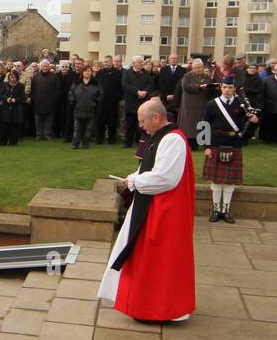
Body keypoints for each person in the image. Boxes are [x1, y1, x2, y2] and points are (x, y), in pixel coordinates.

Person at [98, 99, 195, 323]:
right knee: (145, 258)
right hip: (153, 205)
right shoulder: (161, 137)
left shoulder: (173, 140)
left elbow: (165, 178)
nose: (141, 126)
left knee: (160, 260)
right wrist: (134, 176)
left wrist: (133, 181)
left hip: (164, 210)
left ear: (155, 117)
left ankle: (163, 308)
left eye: (143, 121)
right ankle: (145, 305)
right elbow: (149, 168)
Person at [202, 79, 257, 223]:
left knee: (229, 181)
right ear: (221, 88)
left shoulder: (241, 105)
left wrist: (254, 123)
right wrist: (206, 146)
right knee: (216, 180)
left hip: (234, 143)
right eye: (225, 87)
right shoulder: (211, 104)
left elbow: (248, 129)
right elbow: (204, 125)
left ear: (235, 88)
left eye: (230, 87)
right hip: (215, 143)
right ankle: (215, 210)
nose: (227, 90)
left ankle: (225, 210)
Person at [176, 59, 213, 148]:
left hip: (202, 103)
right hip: (189, 104)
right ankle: (190, 143)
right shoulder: (187, 76)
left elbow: (209, 85)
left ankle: (202, 141)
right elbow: (185, 86)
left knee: (201, 122)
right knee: (189, 124)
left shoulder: (206, 76)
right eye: (197, 67)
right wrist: (199, 87)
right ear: (193, 68)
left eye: (201, 67)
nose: (200, 69)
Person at [69, 66, 101, 149]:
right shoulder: (76, 82)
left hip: (90, 109)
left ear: (91, 73)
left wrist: (96, 102)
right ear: (82, 73)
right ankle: (75, 144)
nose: (87, 72)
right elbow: (71, 93)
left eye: (89, 71)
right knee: (77, 128)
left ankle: (85, 144)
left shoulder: (96, 83)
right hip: (78, 108)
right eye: (85, 71)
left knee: (88, 128)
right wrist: (73, 102)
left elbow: (101, 94)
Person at [0, 70, 25, 146]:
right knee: (5, 126)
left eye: (14, 77)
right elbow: (0, 94)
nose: (12, 79)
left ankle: (13, 142)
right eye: (11, 77)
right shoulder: (5, 84)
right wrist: (7, 99)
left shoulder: (21, 86)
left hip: (16, 109)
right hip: (5, 108)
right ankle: (3, 142)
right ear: (9, 78)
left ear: (17, 78)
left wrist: (15, 100)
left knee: (14, 126)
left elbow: (22, 97)